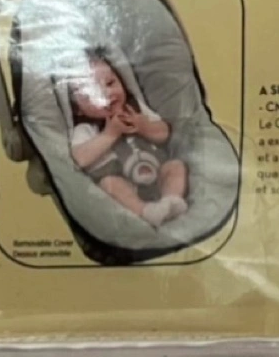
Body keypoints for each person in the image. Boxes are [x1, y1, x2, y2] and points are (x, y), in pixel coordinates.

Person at [64, 46, 187, 227]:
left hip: (157, 174)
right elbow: (78, 159)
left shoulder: (135, 109)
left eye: (110, 83)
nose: (107, 94)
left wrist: (144, 126)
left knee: (175, 166)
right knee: (109, 184)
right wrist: (109, 134)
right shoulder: (86, 129)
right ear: (78, 109)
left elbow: (164, 133)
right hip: (125, 186)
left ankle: (171, 201)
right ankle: (145, 211)